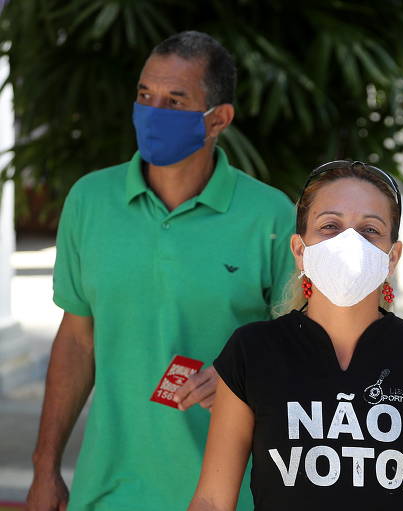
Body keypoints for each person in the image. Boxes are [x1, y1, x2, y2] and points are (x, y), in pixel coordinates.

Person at [26, 31, 296, 511]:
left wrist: (245, 375)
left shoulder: (272, 216)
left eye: (174, 101)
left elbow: (306, 345)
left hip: (234, 494)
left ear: (218, 120)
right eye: (145, 95)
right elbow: (76, 340)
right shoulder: (89, 201)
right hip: (108, 490)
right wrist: (45, 469)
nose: (153, 112)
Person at [188, 161, 403, 511]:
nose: (349, 241)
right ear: (300, 250)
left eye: (369, 230)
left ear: (392, 257)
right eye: (330, 227)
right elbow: (212, 500)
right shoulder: (252, 351)